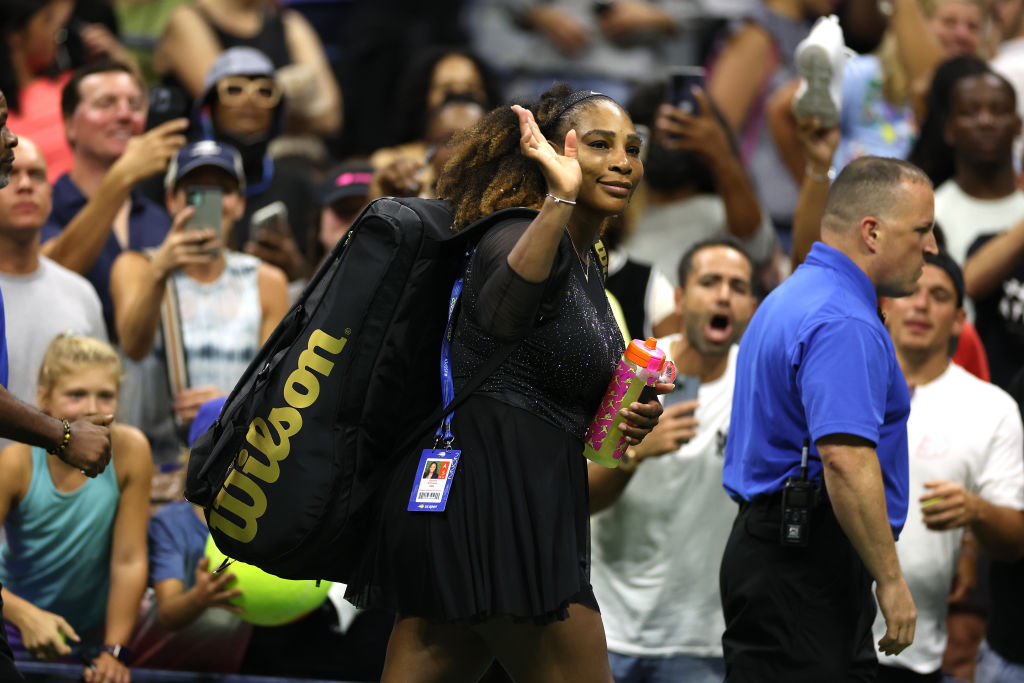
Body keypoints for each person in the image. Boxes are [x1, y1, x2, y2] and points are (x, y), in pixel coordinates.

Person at [344, 84, 667, 682]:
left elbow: (548, 376)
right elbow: (500, 316)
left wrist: (622, 412)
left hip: (513, 499)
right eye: (600, 145)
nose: (624, 161)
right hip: (495, 503)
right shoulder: (513, 231)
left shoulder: (589, 262)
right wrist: (558, 201)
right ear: (551, 151)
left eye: (632, 147)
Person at [721, 155, 937, 681]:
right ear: (872, 232)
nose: (932, 248)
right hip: (806, 563)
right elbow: (843, 459)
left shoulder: (794, 294)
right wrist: (890, 580)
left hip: (776, 550)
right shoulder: (843, 319)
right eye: (922, 231)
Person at [588, 238, 756, 683]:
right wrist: (633, 454)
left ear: (752, 305)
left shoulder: (757, 386)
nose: (723, 295)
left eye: (738, 286)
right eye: (709, 282)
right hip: (606, 627)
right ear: (679, 297)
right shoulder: (632, 368)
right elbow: (582, 496)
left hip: (700, 639)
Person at [873, 251, 1024, 682]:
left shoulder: (991, 408)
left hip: (919, 648)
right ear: (886, 305)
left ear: (960, 320)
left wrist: (976, 513)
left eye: (938, 296)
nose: (921, 305)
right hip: (826, 633)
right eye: (911, 292)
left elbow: (1014, 540)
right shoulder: (842, 382)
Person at [109, 139, 289, 464]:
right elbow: (134, 347)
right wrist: (159, 272)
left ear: (239, 203)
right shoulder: (135, 268)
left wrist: (225, 404)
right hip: (150, 466)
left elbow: (273, 389)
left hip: (230, 461)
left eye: (223, 190)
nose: (211, 202)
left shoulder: (267, 282)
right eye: (195, 190)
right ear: (171, 201)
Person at [0, 333, 152, 683]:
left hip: (90, 639)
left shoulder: (131, 451)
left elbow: (128, 559)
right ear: (43, 399)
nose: (91, 408)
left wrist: (114, 650)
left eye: (105, 395)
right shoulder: (16, 462)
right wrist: (23, 615)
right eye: (76, 394)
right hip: (13, 631)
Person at [40, 59, 187, 339]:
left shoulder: (158, 216)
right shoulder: (43, 204)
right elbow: (50, 280)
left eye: (134, 104)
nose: (124, 115)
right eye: (105, 103)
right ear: (70, 124)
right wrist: (120, 178)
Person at [0, 136, 106, 416]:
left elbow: (104, 396)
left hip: (67, 459)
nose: (24, 185)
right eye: (10, 172)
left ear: (50, 193)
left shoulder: (81, 293)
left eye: (36, 175)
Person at [155, 0, 341, 138]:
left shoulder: (289, 22)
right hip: (209, 160)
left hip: (287, 161)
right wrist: (292, 97)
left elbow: (329, 118)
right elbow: (228, 108)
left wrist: (269, 98)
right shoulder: (187, 18)